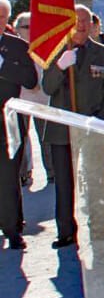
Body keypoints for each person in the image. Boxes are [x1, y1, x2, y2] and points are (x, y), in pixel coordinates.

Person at [41, 4, 104, 249]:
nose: (81, 25)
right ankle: (65, 230)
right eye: (76, 20)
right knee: (64, 183)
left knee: (97, 180)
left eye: (85, 20)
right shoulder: (56, 51)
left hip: (93, 126)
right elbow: (47, 87)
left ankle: (98, 228)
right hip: (62, 129)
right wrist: (59, 67)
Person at [0, 0, 39, 250]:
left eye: (2, 17)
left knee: (8, 177)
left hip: (8, 121)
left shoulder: (18, 47)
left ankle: (13, 228)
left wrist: (5, 68)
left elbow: (30, 79)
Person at [12, 12, 52, 189]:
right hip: (19, 101)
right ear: (17, 29)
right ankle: (22, 174)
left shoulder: (45, 47)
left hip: (42, 100)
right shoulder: (11, 48)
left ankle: (52, 172)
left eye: (33, 27)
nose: (30, 30)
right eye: (26, 27)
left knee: (46, 138)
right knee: (20, 138)